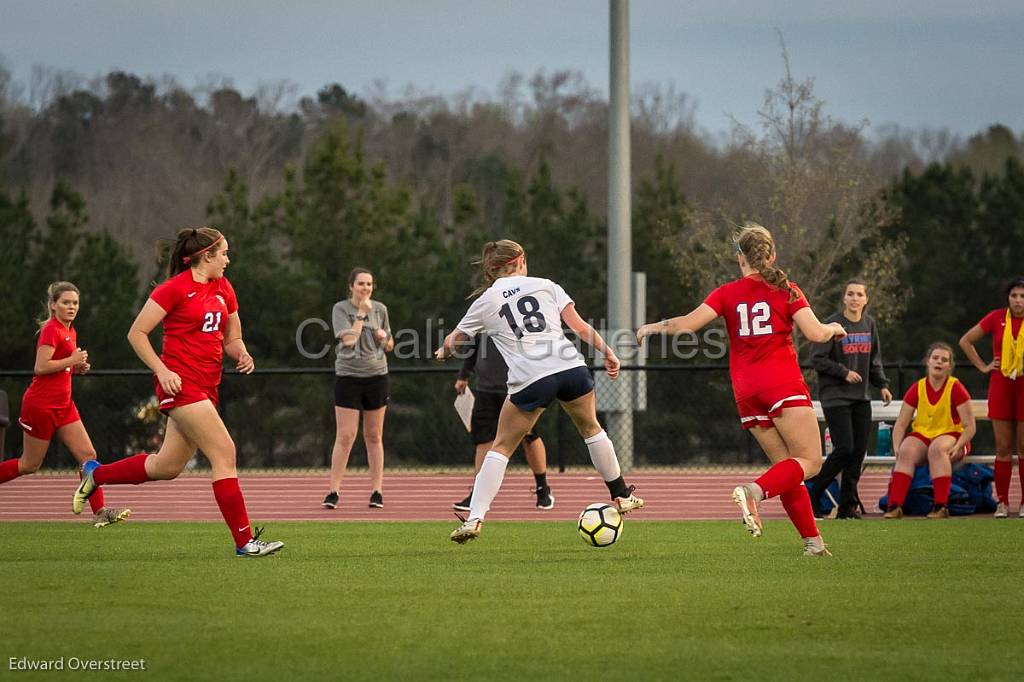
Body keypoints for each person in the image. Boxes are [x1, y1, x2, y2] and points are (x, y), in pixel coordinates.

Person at [637, 222, 846, 557]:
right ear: (772, 254)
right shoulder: (787, 289)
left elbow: (687, 324)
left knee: (787, 470)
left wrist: (652, 327)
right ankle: (754, 492)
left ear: (740, 259)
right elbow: (816, 333)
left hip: (747, 390)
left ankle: (813, 543)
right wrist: (834, 327)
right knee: (810, 461)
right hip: (782, 383)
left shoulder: (726, 293)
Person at [72, 227, 283, 558]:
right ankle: (244, 542)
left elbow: (232, 338)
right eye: (224, 253)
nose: (228, 259)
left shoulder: (223, 288)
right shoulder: (174, 289)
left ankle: (95, 474)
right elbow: (137, 333)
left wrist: (241, 353)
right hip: (181, 385)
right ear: (205, 256)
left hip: (207, 386)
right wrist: (162, 370)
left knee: (166, 467)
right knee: (225, 453)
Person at [436, 240, 644, 543]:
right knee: (592, 429)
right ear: (521, 261)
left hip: (532, 377)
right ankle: (622, 494)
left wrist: (443, 352)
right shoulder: (546, 285)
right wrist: (608, 352)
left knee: (502, 446)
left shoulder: (485, 300)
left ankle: (475, 518)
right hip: (571, 368)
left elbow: (454, 341)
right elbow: (581, 327)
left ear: (493, 271)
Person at [0, 282, 131, 528]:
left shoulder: (70, 331)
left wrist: (75, 367)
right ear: (53, 305)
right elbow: (41, 367)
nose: (71, 307)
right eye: (65, 302)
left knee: (88, 456)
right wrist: (71, 359)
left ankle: (100, 512)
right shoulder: (52, 329)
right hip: (41, 406)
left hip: (64, 406)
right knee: (29, 464)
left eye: (75, 303)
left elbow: (59, 366)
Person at [808, 279, 894, 519]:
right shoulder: (831, 325)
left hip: (861, 398)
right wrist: (843, 372)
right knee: (844, 449)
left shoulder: (869, 324)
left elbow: (874, 359)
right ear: (844, 298)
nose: (855, 298)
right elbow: (818, 359)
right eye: (850, 294)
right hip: (836, 397)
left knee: (858, 453)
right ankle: (814, 493)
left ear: (866, 300)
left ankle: (847, 506)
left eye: (859, 294)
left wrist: (883, 385)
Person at [453, 334, 554, 512]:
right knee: (484, 440)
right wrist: (464, 374)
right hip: (486, 389)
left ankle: (542, 488)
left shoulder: (518, 312)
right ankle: (478, 493)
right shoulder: (483, 308)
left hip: (518, 386)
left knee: (528, 435)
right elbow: (474, 343)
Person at [322, 267, 394, 510]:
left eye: (369, 284)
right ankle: (333, 491)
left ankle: (377, 491)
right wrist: (362, 316)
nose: (365, 288)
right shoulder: (341, 309)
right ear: (351, 286)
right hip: (349, 376)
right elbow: (349, 340)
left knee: (373, 436)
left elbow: (390, 345)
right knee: (345, 436)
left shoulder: (381, 309)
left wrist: (383, 337)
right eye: (361, 284)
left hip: (376, 376)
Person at [882, 342, 975, 519]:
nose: (939, 362)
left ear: (950, 366)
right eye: (935, 358)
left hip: (953, 435)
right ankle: (894, 506)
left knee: (937, 449)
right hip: (925, 434)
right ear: (928, 361)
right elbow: (901, 424)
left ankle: (941, 506)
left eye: (944, 360)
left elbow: (970, 426)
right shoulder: (918, 387)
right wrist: (897, 447)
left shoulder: (955, 387)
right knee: (907, 450)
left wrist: (959, 446)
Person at [959, 277, 1024, 517]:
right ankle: (1003, 502)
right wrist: (984, 366)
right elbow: (965, 341)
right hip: (1001, 386)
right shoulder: (997, 317)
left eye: (1022, 296)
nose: (1018, 301)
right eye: (1014, 296)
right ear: (1008, 298)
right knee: (1003, 447)